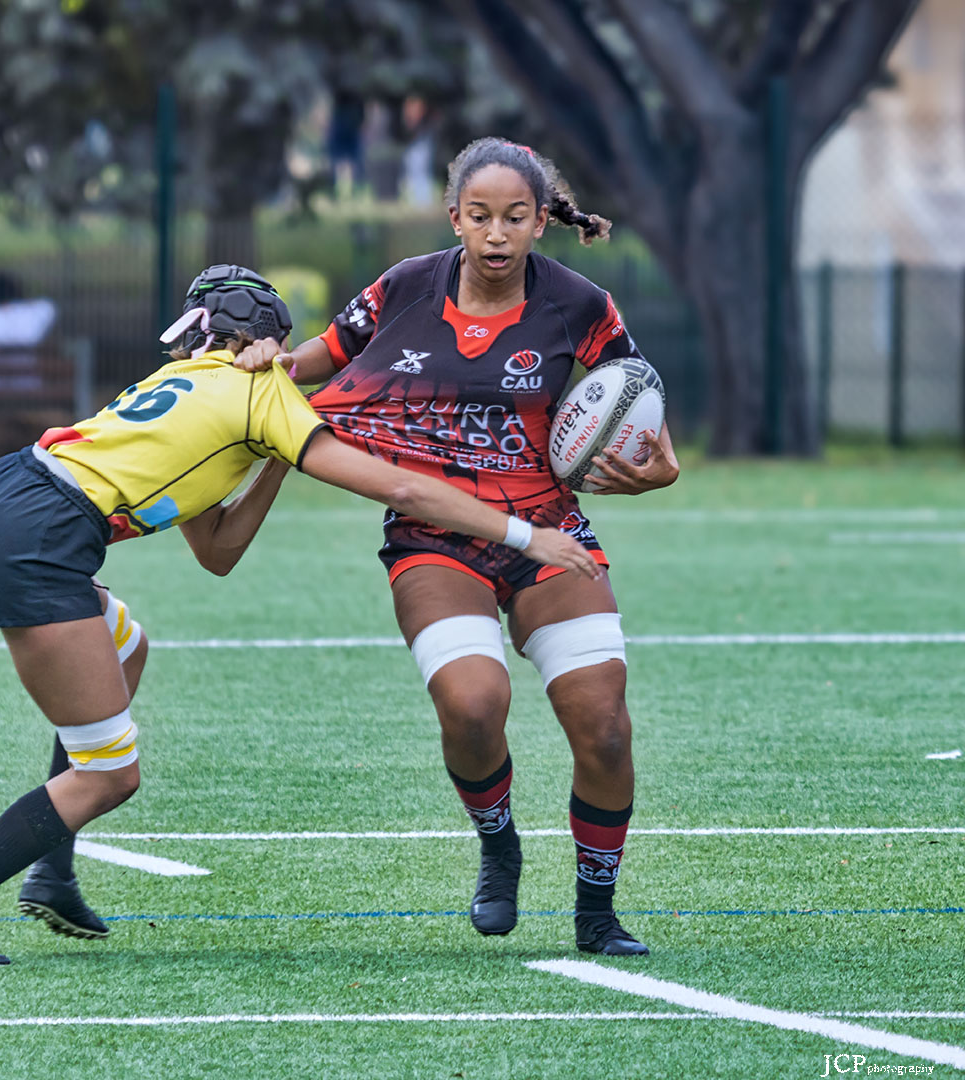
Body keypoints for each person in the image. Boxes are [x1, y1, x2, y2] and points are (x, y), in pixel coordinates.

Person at [0, 263, 598, 967]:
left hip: (2, 496)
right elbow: (402, 486)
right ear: (265, 341)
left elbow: (218, 548)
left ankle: (53, 870)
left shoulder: (185, 383)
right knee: (110, 774)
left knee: (126, 648)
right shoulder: (264, 392)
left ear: (205, 333)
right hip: (39, 534)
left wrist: (280, 456)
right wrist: (524, 534)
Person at [234, 138, 679, 955]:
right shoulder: (404, 287)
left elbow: (637, 405)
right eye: (481, 217)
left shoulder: (580, 304)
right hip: (432, 536)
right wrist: (267, 360)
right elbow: (317, 362)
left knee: (606, 728)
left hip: (546, 534)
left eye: (516, 217)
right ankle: (499, 844)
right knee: (474, 706)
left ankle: (595, 909)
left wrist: (660, 467)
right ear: (455, 219)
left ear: (542, 221)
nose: (498, 234)